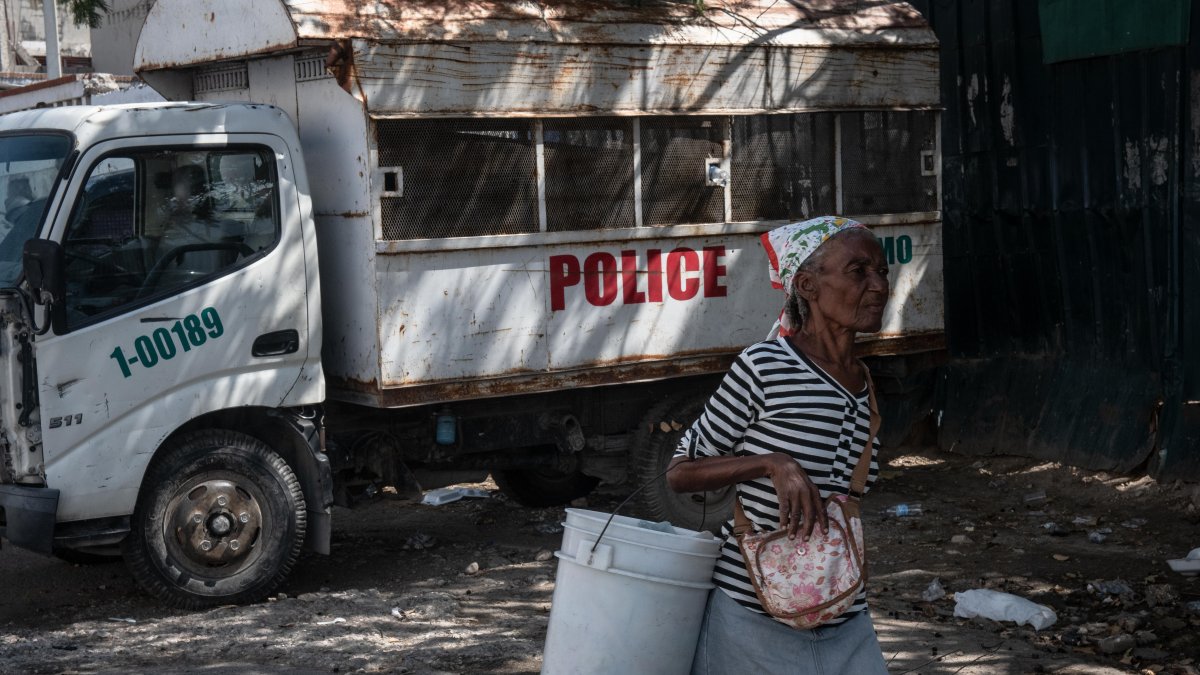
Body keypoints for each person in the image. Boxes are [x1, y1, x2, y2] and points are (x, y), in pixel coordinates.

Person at [667, 216, 890, 674]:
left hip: (843, 609)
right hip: (752, 616)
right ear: (807, 285)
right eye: (859, 271)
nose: (878, 285)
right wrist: (771, 463)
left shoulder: (864, 384)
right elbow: (680, 471)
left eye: (882, 272)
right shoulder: (763, 366)